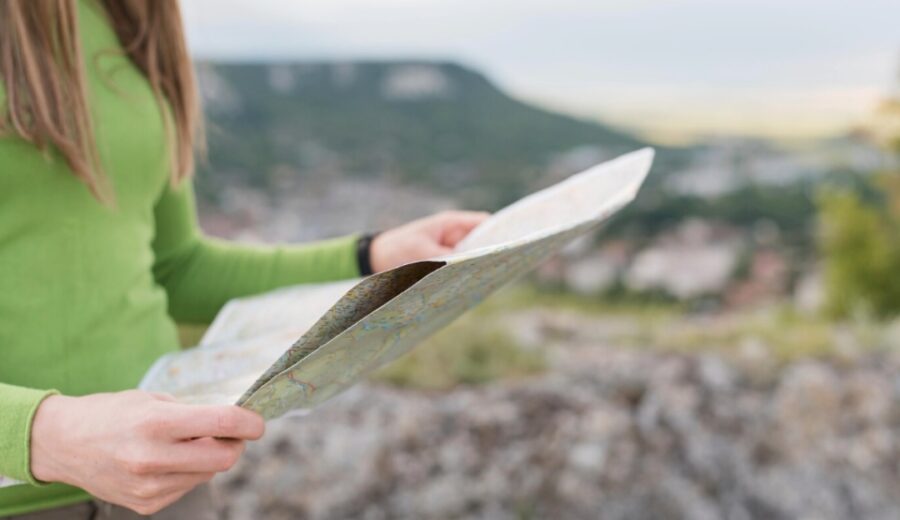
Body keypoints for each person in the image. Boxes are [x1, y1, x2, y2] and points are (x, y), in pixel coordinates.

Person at [0, 0, 488, 517]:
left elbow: (175, 267)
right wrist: (41, 435)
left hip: (165, 488)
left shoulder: (133, 17)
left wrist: (370, 257)